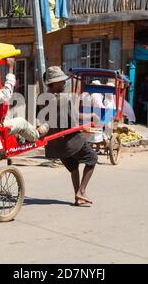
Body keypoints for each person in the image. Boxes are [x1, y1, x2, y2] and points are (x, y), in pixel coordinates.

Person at [42, 66, 98, 206]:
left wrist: (89, 116)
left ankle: (77, 197)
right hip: (70, 140)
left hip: (55, 144)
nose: (64, 83)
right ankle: (82, 191)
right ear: (53, 83)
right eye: (61, 81)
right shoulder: (64, 98)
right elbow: (73, 121)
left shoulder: (43, 98)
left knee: (73, 168)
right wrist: (86, 126)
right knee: (92, 158)